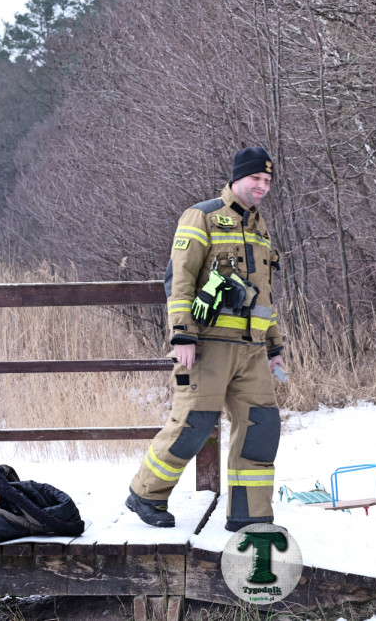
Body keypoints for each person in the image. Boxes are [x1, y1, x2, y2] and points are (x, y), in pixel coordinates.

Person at [125, 146, 286, 532]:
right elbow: (178, 280)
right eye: (255, 179)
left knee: (261, 427)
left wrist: (275, 346)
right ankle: (145, 494)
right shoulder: (203, 215)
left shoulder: (261, 228)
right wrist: (182, 334)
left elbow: (265, 296)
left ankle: (250, 515)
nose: (262, 186)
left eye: (267, 181)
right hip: (208, 346)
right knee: (193, 423)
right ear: (237, 178)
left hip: (251, 352)